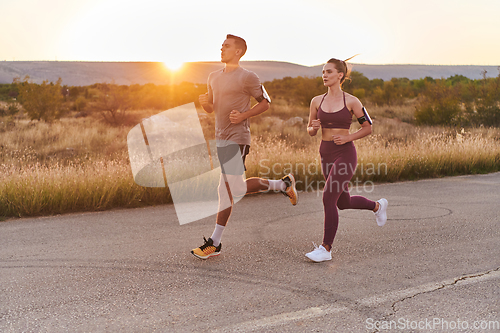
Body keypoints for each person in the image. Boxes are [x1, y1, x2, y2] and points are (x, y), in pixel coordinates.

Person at [191, 34, 298, 259]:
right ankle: (283, 184)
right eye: (221, 45)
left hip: (237, 137)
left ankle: (215, 243)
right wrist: (205, 105)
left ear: (238, 52)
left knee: (229, 190)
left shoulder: (248, 77)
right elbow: (212, 108)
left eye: (226, 46)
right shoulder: (212, 76)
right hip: (220, 138)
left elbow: (266, 103)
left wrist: (243, 116)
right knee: (231, 190)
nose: (222, 49)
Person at [305, 58, 388, 262]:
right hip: (326, 153)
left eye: (329, 72)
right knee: (342, 202)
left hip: (345, 154)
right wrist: (313, 128)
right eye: (323, 72)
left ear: (340, 75)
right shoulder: (317, 101)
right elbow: (310, 130)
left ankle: (326, 248)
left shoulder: (352, 101)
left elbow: (368, 127)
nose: (324, 75)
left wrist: (348, 137)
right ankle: (377, 206)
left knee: (327, 197)